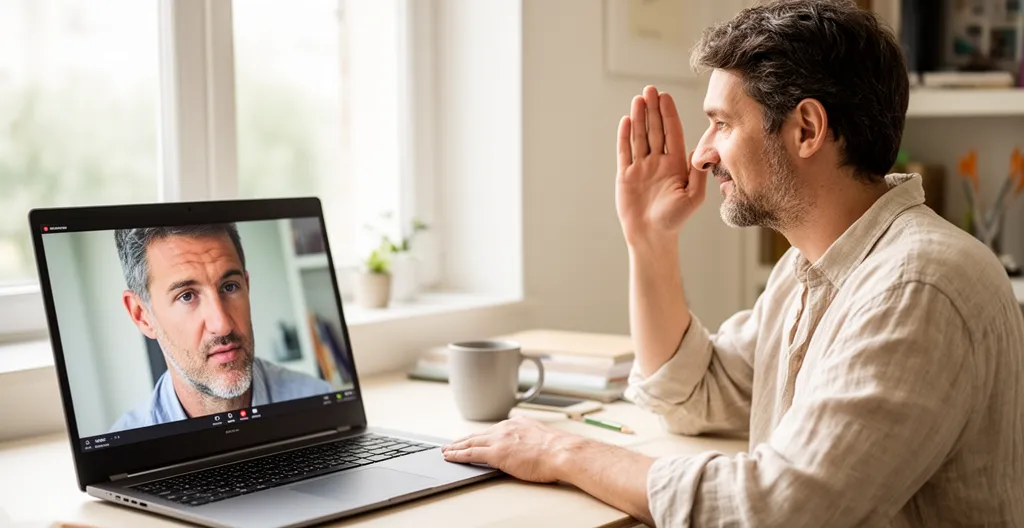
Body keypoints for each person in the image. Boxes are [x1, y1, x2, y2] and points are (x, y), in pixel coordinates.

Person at [440, 1, 1024, 525]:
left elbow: (778, 509)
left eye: (721, 122)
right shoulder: (812, 270)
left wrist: (562, 450)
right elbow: (696, 394)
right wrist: (649, 238)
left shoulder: (915, 287)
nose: (701, 154)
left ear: (806, 129)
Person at [109, 224, 333, 433]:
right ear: (142, 315)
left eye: (230, 287)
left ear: (247, 286)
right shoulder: (122, 448)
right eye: (186, 296)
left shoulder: (318, 403)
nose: (223, 325)